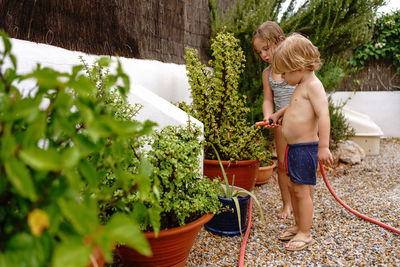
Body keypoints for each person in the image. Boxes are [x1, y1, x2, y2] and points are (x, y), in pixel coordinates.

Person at [271, 33, 334, 251]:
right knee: (293, 187)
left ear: (299, 66)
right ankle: (298, 225)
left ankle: (305, 233)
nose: (284, 77)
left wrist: (324, 147)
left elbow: (324, 115)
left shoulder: (314, 86)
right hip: (294, 149)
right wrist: (279, 114)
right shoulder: (302, 84)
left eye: (286, 72)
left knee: (301, 191)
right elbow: (295, 106)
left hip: (305, 149)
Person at [252, 21, 295, 219]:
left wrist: (280, 113)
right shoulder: (267, 73)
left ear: (280, 41)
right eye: (260, 52)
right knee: (284, 165)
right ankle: (287, 204)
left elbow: (304, 96)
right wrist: (269, 116)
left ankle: (303, 203)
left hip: (302, 122)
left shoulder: (296, 66)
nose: (264, 55)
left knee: (303, 164)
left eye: (266, 49)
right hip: (280, 124)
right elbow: (268, 100)